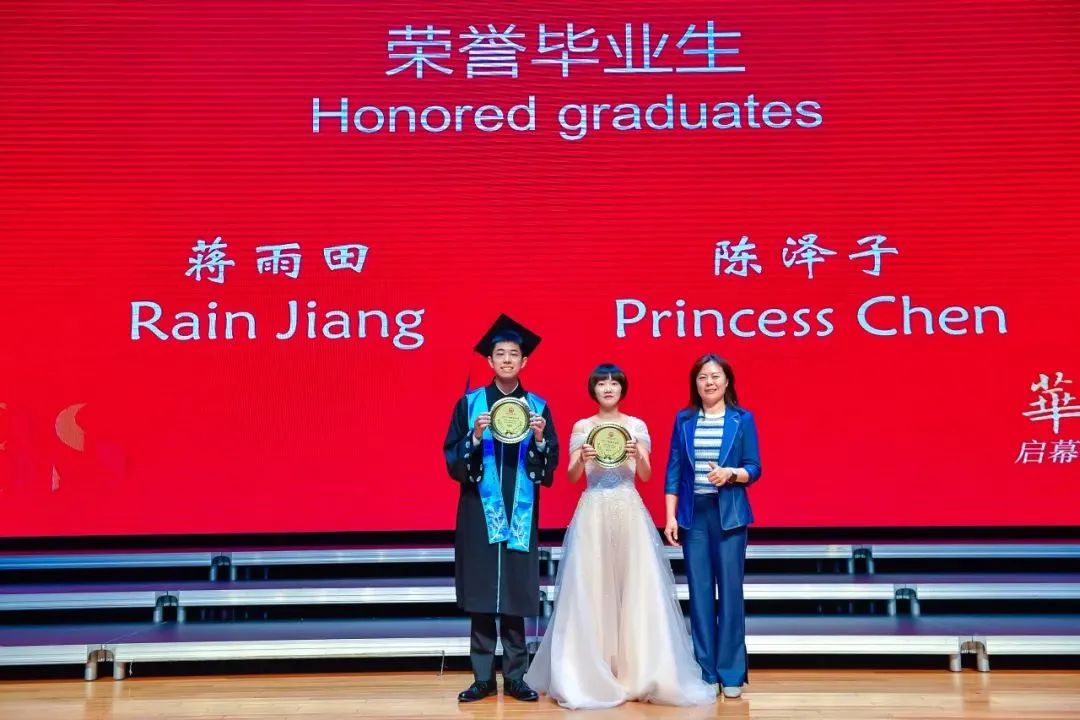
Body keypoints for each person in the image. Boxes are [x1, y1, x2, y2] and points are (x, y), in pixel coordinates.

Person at [524, 364, 715, 709]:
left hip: (628, 510)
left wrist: (637, 452)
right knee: (591, 587)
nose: (608, 388)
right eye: (602, 383)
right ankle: (589, 671)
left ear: (622, 389)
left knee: (635, 588)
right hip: (593, 511)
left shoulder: (636, 426)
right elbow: (572, 476)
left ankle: (637, 671)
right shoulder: (583, 427)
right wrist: (581, 458)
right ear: (594, 390)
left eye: (614, 383)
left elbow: (646, 474)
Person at [443, 314, 559, 702]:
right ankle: (481, 678)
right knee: (481, 593)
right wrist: (475, 436)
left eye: (513, 354)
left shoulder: (537, 407)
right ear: (489, 360)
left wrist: (540, 439)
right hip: (478, 510)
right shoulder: (470, 405)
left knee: (514, 593)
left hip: (520, 510)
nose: (507, 360)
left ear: (524, 361)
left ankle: (515, 676)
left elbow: (548, 464)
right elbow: (453, 461)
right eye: (500, 354)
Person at [663, 354, 762, 699]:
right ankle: (706, 672)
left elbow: (755, 467)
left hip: (730, 515)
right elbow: (674, 469)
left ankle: (731, 673)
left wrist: (731, 474)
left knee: (731, 594)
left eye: (715, 376)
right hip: (695, 516)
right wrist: (671, 516)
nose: (709, 382)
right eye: (703, 377)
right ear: (695, 383)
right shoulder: (684, 419)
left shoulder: (742, 419)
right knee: (700, 594)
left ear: (727, 381)